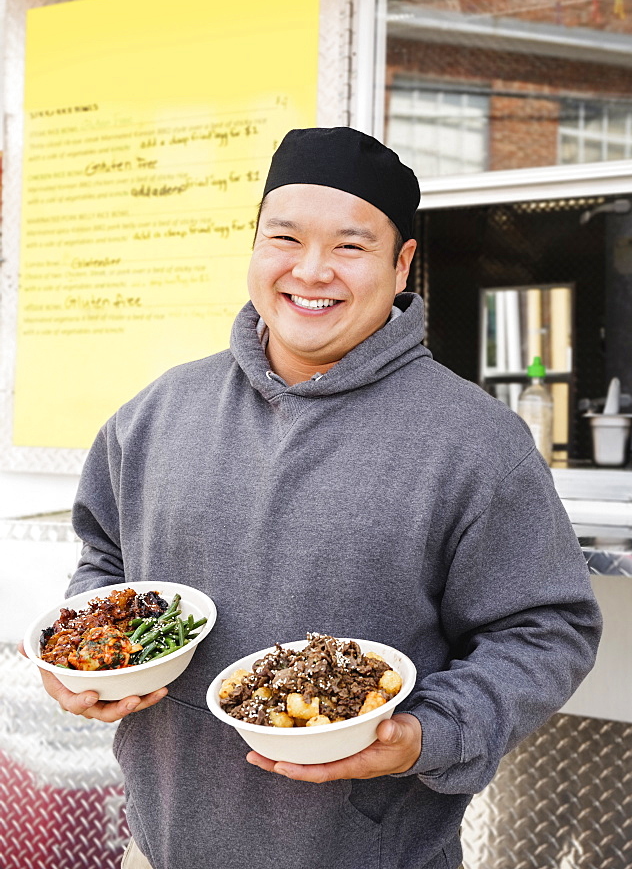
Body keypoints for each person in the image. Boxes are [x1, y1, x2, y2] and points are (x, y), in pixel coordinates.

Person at [29, 127, 602, 869]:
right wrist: (88, 660)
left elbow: (546, 628)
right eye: (285, 238)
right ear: (255, 246)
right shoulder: (158, 413)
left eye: (351, 247)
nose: (311, 270)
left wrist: (428, 734)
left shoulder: (473, 440)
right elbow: (105, 560)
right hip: (161, 845)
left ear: (401, 266)